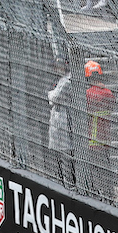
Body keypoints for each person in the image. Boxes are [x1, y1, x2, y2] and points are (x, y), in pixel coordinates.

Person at [85, 60, 115, 193]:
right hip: (106, 136)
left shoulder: (88, 94)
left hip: (92, 137)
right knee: (106, 166)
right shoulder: (108, 93)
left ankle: (98, 192)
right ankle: (109, 192)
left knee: (96, 169)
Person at [47, 58, 76, 186]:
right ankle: (64, 182)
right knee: (60, 155)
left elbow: (55, 97)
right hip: (60, 120)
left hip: (65, 120)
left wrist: (51, 95)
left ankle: (69, 183)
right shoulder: (62, 80)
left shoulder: (67, 81)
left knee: (66, 155)